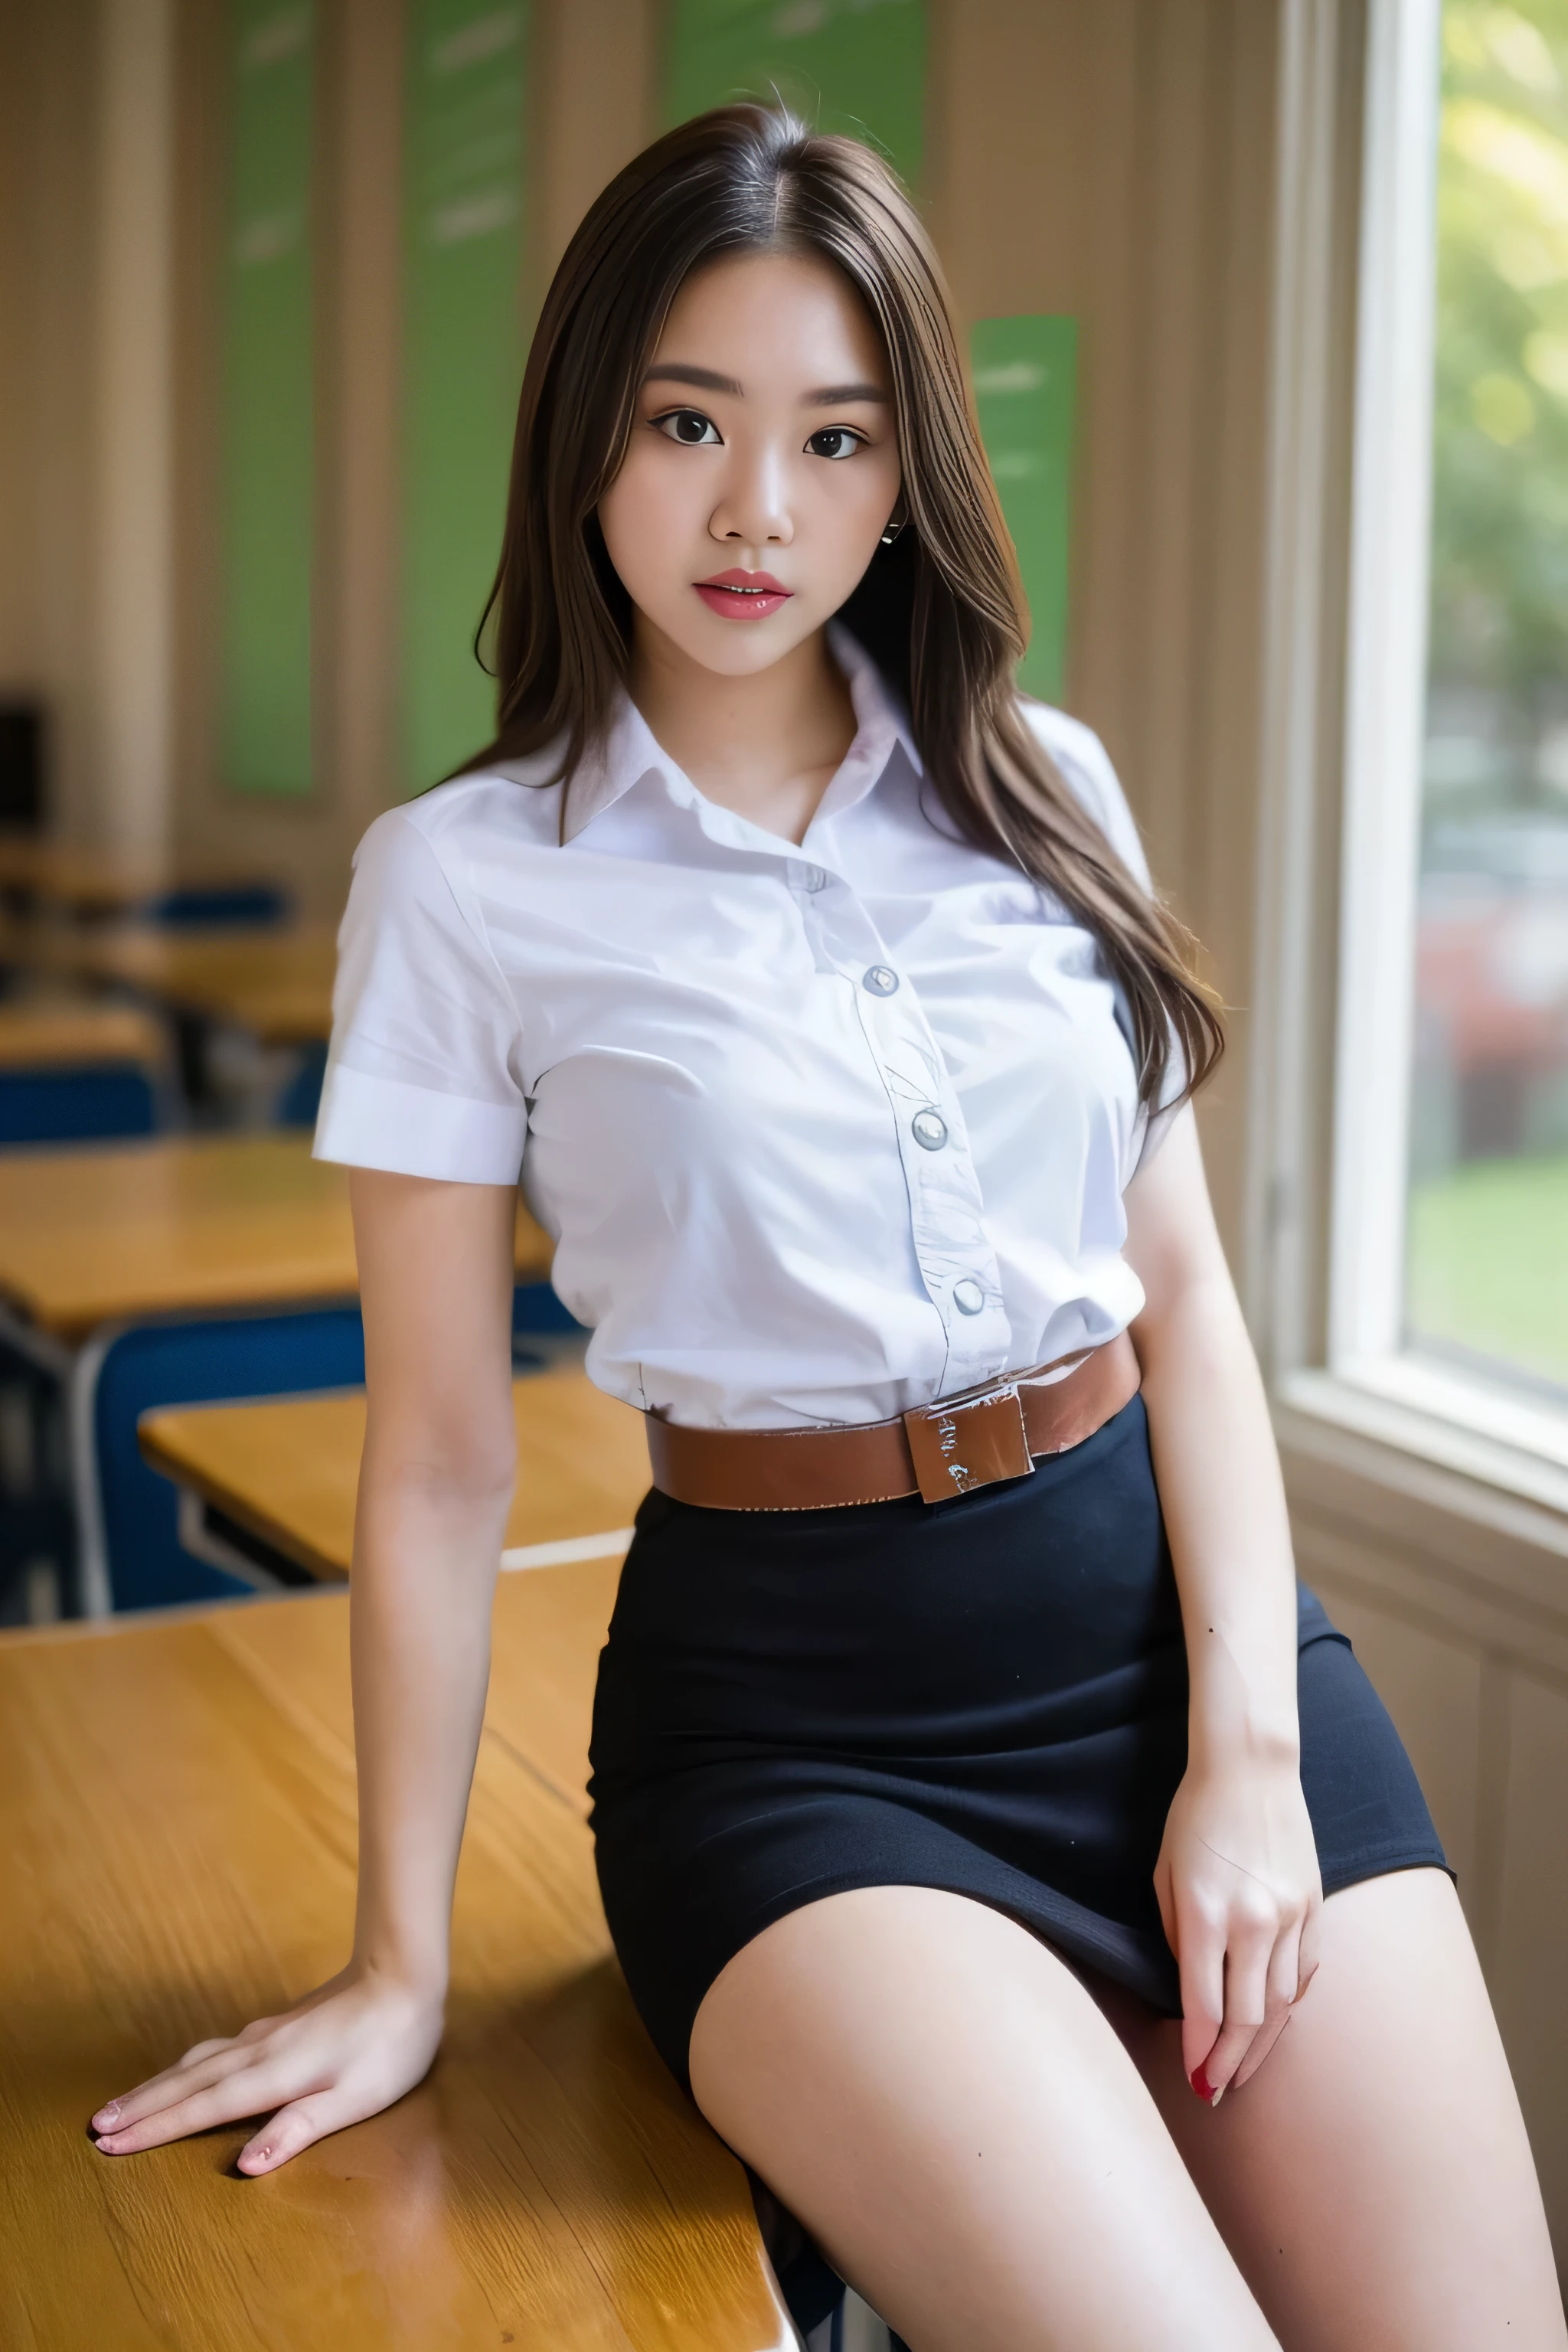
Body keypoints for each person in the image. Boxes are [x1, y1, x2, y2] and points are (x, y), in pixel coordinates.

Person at [90, 106, 1565, 2350]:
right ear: (590, 434)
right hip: (803, 1750)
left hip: (1178, 1656)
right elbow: (441, 1462)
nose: (756, 508)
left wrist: (1247, 1754)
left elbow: (1183, 1305)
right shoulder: (467, 883)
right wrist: (398, 1964)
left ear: (911, 475)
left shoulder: (1045, 782)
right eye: (689, 421)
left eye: (836, 437)